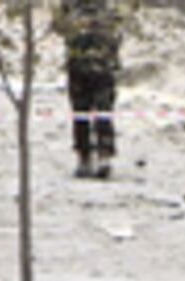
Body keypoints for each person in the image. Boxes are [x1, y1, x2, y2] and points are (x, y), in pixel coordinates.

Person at [60, 0, 121, 179]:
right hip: (78, 66)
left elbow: (118, 26)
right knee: (80, 114)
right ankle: (83, 157)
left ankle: (104, 156)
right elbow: (60, 26)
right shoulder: (70, 6)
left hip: (102, 66)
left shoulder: (108, 7)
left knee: (103, 111)